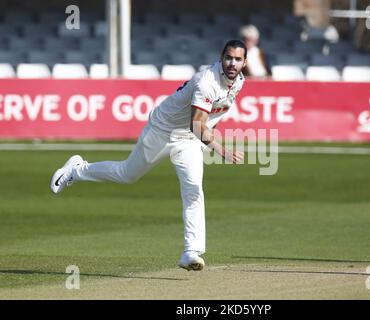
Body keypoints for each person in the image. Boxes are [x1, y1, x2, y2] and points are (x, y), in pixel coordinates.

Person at [50, 40, 247, 272]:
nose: (232, 63)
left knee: (194, 189)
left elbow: (208, 119)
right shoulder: (207, 82)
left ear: (245, 62)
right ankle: (77, 169)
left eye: (237, 59)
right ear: (221, 57)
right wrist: (220, 149)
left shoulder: (239, 82)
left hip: (189, 140)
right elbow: (197, 124)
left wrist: (205, 141)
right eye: (228, 58)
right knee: (127, 174)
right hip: (161, 130)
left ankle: (190, 252)